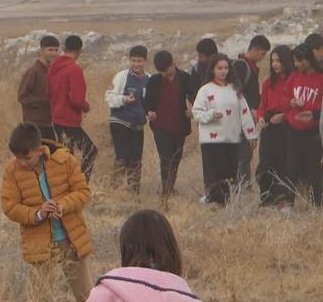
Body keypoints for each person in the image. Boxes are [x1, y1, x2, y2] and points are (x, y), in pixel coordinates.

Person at [0, 123, 94, 302]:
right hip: (39, 244)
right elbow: (9, 206)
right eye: (17, 157)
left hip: (72, 239)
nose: (21, 162)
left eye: (26, 157)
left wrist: (63, 206)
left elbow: (83, 192)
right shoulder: (11, 171)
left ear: (39, 149)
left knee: (87, 299)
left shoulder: (65, 160)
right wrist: (37, 214)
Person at [192, 54, 258, 206]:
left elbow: (244, 113)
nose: (223, 71)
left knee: (229, 173)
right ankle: (213, 199)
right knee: (214, 172)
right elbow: (197, 112)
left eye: (226, 68)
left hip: (231, 138)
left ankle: (224, 202)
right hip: (211, 139)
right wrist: (210, 114)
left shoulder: (235, 89)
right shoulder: (205, 90)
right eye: (219, 68)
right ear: (213, 70)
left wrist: (251, 134)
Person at [143, 51, 195, 202]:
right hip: (160, 125)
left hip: (179, 125)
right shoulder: (154, 80)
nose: (165, 74)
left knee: (176, 157)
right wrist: (149, 112)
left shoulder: (185, 78)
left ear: (174, 63)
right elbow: (148, 101)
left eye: (167, 70)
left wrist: (192, 109)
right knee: (165, 157)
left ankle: (171, 186)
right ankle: (165, 191)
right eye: (161, 72)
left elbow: (193, 95)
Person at [49, 35, 99, 182]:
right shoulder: (74, 69)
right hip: (69, 120)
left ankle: (67, 188)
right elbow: (76, 100)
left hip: (56, 118)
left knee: (66, 157)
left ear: (64, 49)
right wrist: (86, 107)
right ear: (79, 51)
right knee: (91, 151)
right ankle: (82, 185)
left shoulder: (53, 68)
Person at [105, 45, 150, 194]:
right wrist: (124, 99)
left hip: (137, 124)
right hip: (120, 120)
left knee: (136, 160)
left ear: (145, 61)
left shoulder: (149, 79)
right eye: (133, 60)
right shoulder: (122, 76)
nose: (136, 64)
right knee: (122, 157)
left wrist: (150, 113)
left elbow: (151, 102)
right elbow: (109, 97)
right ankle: (114, 190)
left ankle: (133, 193)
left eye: (139, 61)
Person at [255, 45, 295, 207]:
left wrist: (284, 116)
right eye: (272, 61)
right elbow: (262, 105)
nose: (275, 64)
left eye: (278, 61)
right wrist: (260, 118)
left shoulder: (294, 80)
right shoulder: (267, 82)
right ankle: (266, 197)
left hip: (286, 127)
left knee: (283, 163)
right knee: (265, 164)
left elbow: (297, 106)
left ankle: (283, 198)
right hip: (269, 126)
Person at [285, 45, 323, 205]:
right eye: (294, 61)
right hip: (293, 129)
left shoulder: (320, 77)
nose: (297, 64)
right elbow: (283, 98)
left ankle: (316, 204)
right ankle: (289, 202)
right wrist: (291, 102)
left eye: (299, 60)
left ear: (309, 59)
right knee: (291, 166)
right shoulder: (294, 76)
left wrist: (314, 114)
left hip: (313, 130)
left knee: (314, 168)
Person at [231, 35, 270, 187]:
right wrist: (249, 111)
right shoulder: (241, 66)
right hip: (242, 119)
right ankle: (242, 187)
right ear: (254, 49)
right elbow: (236, 93)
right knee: (243, 154)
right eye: (262, 54)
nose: (263, 57)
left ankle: (243, 185)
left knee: (246, 153)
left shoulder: (250, 66)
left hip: (248, 117)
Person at [18, 35, 61, 141]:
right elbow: (22, 97)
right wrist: (45, 101)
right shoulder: (33, 71)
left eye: (56, 50)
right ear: (42, 51)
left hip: (47, 123)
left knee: (53, 156)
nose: (54, 53)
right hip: (34, 124)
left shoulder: (50, 71)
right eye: (50, 50)